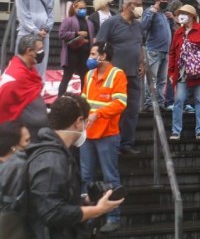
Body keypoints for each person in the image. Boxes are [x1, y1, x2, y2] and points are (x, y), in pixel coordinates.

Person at [25, 96, 124, 239]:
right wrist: (96, 210)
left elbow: (55, 197)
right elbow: (51, 212)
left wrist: (84, 200)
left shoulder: (59, 152)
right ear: (78, 122)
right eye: (85, 121)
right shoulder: (52, 160)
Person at [79, 42, 127, 233]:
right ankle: (88, 215)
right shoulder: (89, 75)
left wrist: (98, 114)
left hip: (107, 134)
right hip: (87, 134)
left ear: (104, 56)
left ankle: (114, 217)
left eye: (93, 54)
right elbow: (84, 101)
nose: (90, 57)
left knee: (111, 177)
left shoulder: (117, 75)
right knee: (85, 176)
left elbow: (120, 103)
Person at [95, 0, 144, 155]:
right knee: (115, 110)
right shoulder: (111, 23)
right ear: (129, 5)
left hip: (134, 75)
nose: (140, 7)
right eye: (138, 4)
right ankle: (111, 143)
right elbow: (99, 46)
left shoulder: (138, 25)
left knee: (132, 110)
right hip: (115, 76)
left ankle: (127, 144)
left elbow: (139, 44)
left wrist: (142, 62)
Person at [168, 5, 200, 140]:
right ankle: (176, 130)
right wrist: (171, 73)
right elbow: (172, 53)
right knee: (179, 100)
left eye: (184, 13)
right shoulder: (178, 33)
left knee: (199, 100)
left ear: (192, 16)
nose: (181, 15)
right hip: (182, 72)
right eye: (180, 13)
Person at [0, 35, 47, 138]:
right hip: (17, 138)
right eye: (39, 50)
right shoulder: (15, 77)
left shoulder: (29, 69)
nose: (42, 52)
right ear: (29, 51)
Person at [14, 0, 55, 78]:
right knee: (23, 63)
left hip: (43, 34)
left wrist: (46, 29)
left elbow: (51, 13)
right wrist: (36, 30)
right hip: (27, 33)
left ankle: (38, 90)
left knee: (41, 63)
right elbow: (22, 13)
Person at [140, 0, 173, 112]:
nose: (166, 2)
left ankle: (160, 102)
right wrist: (150, 14)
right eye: (164, 0)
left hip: (165, 51)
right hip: (154, 50)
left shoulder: (164, 14)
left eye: (167, 0)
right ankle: (149, 103)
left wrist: (171, 19)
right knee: (151, 78)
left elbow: (169, 31)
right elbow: (143, 27)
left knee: (162, 80)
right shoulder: (150, 11)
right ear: (157, 0)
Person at [57, 0, 94, 96]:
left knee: (84, 78)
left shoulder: (89, 23)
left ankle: (83, 100)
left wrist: (87, 41)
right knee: (67, 77)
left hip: (85, 54)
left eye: (84, 8)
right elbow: (61, 34)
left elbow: (91, 38)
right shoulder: (68, 20)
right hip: (71, 54)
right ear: (75, 8)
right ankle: (60, 99)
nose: (83, 10)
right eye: (80, 8)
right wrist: (76, 34)